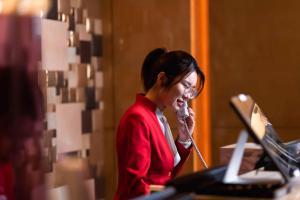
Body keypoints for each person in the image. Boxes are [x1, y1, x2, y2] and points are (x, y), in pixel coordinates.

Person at [114, 48, 205, 200]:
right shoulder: (137, 118)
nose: (188, 95)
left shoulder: (157, 117)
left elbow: (163, 176)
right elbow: (137, 187)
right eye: (185, 85)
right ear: (162, 79)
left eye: (192, 90)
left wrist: (184, 137)